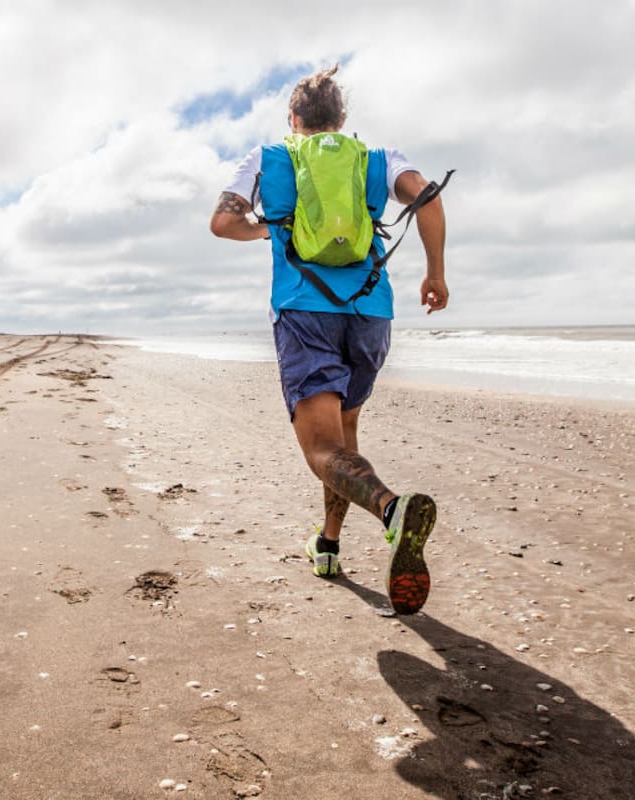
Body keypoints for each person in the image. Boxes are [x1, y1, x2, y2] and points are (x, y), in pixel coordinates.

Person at [209, 65, 448, 615]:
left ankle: (392, 510)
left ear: (293, 120)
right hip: (370, 313)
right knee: (344, 436)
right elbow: (428, 198)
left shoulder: (270, 158)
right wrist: (435, 273)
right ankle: (329, 544)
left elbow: (222, 223)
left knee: (322, 450)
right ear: (343, 119)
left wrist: (266, 226)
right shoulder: (379, 158)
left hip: (303, 311)